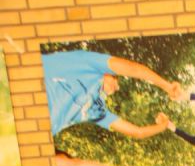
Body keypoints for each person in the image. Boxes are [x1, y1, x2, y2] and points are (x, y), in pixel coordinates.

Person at [40, 49, 179, 139]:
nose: (117, 88)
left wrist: (164, 125)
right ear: (106, 72)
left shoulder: (97, 110)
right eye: (116, 79)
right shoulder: (86, 62)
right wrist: (167, 86)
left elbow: (138, 132)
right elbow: (134, 69)